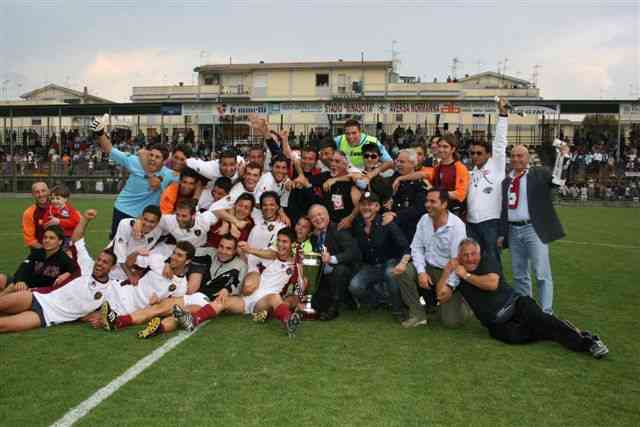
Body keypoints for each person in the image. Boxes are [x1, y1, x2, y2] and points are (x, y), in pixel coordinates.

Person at [440, 238, 608, 359]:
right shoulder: (457, 273)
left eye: (473, 254)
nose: (470, 258)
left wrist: (466, 275)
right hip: (496, 323)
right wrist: (448, 271)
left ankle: (588, 343)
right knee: (515, 337)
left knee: (541, 319)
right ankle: (557, 328)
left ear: (479, 252)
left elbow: (492, 284)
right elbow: (442, 297)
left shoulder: (486, 260)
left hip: (516, 304)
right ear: (459, 257)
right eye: (465, 255)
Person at [172, 228, 304, 337]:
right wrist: (247, 251)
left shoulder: (295, 263)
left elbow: (301, 281)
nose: (281, 244)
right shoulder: (267, 255)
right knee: (222, 300)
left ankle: (288, 321)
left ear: (292, 244)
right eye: (279, 241)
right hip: (245, 299)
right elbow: (262, 256)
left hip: (263, 301)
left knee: (275, 297)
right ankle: (193, 320)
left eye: (285, 241)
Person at [0, 226, 118, 333]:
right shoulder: (84, 268)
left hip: (47, 316)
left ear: (112, 268)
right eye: (99, 260)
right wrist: (85, 219)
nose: (99, 264)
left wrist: (98, 316)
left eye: (105, 262)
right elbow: (77, 238)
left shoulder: (109, 290)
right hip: (37, 297)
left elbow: (112, 312)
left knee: (3, 325)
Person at [136, 234, 248, 339]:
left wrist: (226, 290)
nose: (223, 251)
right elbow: (183, 252)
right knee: (162, 308)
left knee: (182, 313)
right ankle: (124, 320)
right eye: (221, 246)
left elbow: (237, 285)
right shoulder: (207, 252)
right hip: (192, 295)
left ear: (234, 251)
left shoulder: (240, 265)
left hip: (210, 301)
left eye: (229, 248)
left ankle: (158, 328)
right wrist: (167, 262)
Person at [498, 145, 566, 314]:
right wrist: (501, 233)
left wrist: (562, 157)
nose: (516, 159)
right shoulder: (506, 181)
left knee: (542, 273)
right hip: (513, 230)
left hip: (533, 229)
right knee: (519, 274)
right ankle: (528, 311)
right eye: (513, 156)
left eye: (520, 156)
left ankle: (546, 312)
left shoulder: (538, 174)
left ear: (527, 158)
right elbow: (504, 209)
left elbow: (556, 180)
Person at [90, 114, 178, 238]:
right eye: (151, 155)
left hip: (146, 217)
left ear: (164, 161)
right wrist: (100, 133)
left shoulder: (169, 175)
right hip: (123, 209)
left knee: (139, 247)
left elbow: (187, 179)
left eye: (157, 157)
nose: (152, 159)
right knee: (117, 246)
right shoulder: (135, 161)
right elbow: (109, 149)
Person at [394, 189, 468, 328]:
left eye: (433, 201)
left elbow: (457, 262)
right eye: (427, 201)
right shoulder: (424, 219)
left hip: (447, 272)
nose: (428, 204)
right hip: (428, 267)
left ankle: (463, 304)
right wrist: (421, 272)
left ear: (444, 204)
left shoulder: (457, 226)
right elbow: (416, 247)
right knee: (402, 271)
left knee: (451, 323)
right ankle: (417, 315)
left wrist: (450, 286)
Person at [99, 241, 196, 332]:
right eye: (174, 253)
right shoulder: (158, 260)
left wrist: (159, 301)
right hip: (122, 290)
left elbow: (166, 307)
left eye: (179, 255)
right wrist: (136, 253)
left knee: (98, 317)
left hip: (130, 308)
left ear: (187, 261)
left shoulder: (181, 286)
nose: (174, 257)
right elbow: (129, 262)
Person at [349, 192, 409, 320]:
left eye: (370, 204)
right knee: (355, 286)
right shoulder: (357, 225)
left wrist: (403, 263)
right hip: (371, 267)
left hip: (389, 263)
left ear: (377, 207)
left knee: (390, 273)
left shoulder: (386, 222)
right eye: (363, 205)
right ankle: (378, 300)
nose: (366, 208)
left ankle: (398, 310)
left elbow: (405, 245)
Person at [466, 97, 509, 265]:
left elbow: (499, 144)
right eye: (472, 153)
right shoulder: (470, 173)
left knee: (492, 262)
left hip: (490, 223)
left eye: (479, 153)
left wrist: (503, 115)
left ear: (488, 154)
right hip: (471, 223)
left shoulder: (497, 166)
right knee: (474, 263)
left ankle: (499, 290)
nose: (475, 156)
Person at [308, 204, 361, 320]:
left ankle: (334, 308)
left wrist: (332, 258)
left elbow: (353, 252)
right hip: (325, 276)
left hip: (345, 272)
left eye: (320, 214)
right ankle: (347, 299)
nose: (317, 218)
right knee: (315, 305)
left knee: (340, 270)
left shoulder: (339, 229)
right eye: (313, 217)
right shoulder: (313, 237)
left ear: (327, 215)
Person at [0, 225, 77, 296]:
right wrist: (20, 281)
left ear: (60, 241)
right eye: (45, 237)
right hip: (23, 284)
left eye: (51, 238)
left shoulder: (65, 259)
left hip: (38, 294)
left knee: (13, 289)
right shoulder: (36, 253)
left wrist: (68, 273)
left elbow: (77, 272)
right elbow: (23, 268)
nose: (47, 240)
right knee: (1, 278)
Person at [110, 205, 164, 282]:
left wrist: (136, 274)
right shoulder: (125, 224)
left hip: (129, 268)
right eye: (145, 219)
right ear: (141, 218)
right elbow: (119, 255)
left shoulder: (158, 232)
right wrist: (130, 275)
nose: (147, 224)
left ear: (157, 223)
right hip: (112, 266)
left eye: (152, 222)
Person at [432, 133, 470, 220]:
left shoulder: (460, 168)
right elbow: (425, 174)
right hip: (439, 212)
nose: (441, 149)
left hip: (454, 215)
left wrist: (440, 193)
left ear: (453, 149)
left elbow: (460, 194)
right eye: (440, 146)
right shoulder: (437, 167)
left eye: (445, 147)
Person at [323, 151, 361, 230]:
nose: (333, 164)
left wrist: (350, 219)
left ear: (345, 164)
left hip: (344, 227)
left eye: (337, 161)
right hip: (327, 225)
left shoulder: (352, 182)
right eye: (331, 161)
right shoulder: (326, 176)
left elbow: (360, 204)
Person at [22, 181, 50, 249]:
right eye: (37, 192)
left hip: (62, 251)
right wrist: (47, 251)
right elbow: (30, 240)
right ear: (33, 194)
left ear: (48, 192)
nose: (41, 194)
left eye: (43, 191)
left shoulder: (59, 207)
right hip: (40, 251)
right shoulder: (29, 213)